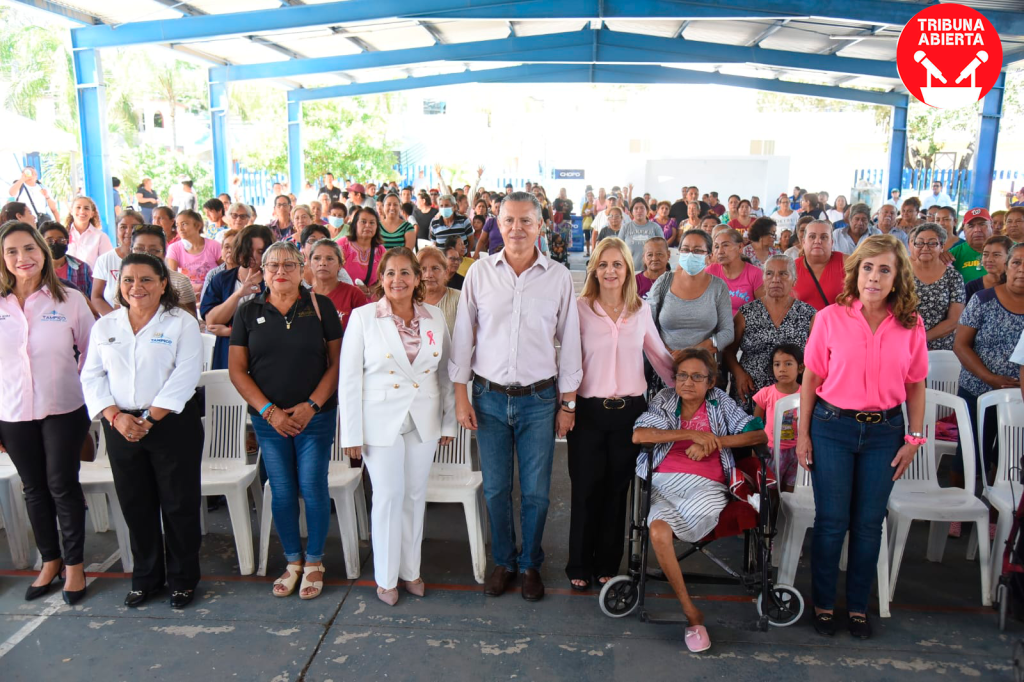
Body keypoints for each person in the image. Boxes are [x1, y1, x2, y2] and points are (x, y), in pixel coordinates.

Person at [449, 191, 582, 602]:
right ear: (498, 224)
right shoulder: (479, 273)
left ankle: (530, 564)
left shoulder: (558, 277)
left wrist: (568, 403)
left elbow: (571, 343)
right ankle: (504, 561)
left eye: (526, 220)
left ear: (540, 226)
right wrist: (461, 396)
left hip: (539, 401)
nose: (517, 228)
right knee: (495, 489)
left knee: (537, 493)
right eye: (509, 220)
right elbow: (463, 337)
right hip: (487, 397)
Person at [798, 234, 928, 640]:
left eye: (884, 270)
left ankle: (857, 607)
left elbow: (916, 384)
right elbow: (811, 379)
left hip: (885, 433)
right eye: (868, 268)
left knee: (870, 524)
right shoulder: (829, 318)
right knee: (832, 521)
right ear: (856, 272)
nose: (874, 277)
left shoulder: (911, 323)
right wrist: (802, 435)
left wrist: (914, 438)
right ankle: (823, 604)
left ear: (897, 277)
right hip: (832, 427)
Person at [81, 252, 204, 609]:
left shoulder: (180, 322)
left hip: (171, 425)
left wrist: (149, 419)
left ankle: (183, 580)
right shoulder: (106, 325)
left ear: (163, 283)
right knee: (136, 504)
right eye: (128, 280)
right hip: (120, 427)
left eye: (146, 279)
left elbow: (186, 375)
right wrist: (115, 416)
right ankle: (146, 579)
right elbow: (91, 376)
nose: (137, 287)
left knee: (178, 504)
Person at [340, 247, 455, 606]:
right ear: (381, 278)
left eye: (406, 272)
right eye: (390, 273)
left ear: (418, 278)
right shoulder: (363, 317)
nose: (397, 280)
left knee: (415, 496)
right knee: (389, 496)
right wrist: (351, 433)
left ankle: (411, 571)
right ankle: (386, 578)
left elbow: (445, 373)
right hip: (379, 419)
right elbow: (349, 378)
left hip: (424, 418)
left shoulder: (435, 316)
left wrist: (448, 422)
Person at [229, 241, 343, 601]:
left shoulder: (320, 306)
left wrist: (312, 405)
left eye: (289, 264)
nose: (281, 271)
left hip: (316, 417)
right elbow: (237, 370)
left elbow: (337, 363)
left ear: (301, 269)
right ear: (262, 272)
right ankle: (293, 561)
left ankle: (315, 561)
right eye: (273, 265)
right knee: (280, 488)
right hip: (269, 420)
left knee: (312, 484)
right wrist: (270, 412)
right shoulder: (248, 311)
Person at [632, 347, 767, 652]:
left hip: (707, 486)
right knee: (658, 531)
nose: (687, 382)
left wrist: (716, 441)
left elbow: (757, 435)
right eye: (682, 375)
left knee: (696, 515)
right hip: (664, 483)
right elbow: (639, 435)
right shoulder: (665, 399)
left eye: (696, 377)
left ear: (711, 381)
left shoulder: (720, 402)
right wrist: (689, 435)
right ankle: (691, 612)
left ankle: (692, 613)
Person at [567, 238, 674, 591]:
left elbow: (659, 356)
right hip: (588, 412)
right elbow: (567, 360)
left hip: (630, 413)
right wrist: (564, 405)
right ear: (594, 270)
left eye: (617, 264)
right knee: (586, 489)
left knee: (617, 490)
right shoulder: (579, 308)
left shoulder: (640, 310)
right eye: (603, 264)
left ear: (628, 269)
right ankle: (579, 563)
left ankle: (607, 565)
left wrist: (689, 389)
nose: (610, 271)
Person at [0, 221, 94, 605]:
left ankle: (74, 565)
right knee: (34, 489)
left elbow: (92, 354)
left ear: (42, 250)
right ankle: (50, 561)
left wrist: (82, 391)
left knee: (62, 485)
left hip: (63, 408)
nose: (22, 258)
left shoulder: (70, 299)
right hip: (12, 412)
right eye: (11, 251)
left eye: (29, 248)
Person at [953, 243, 1024, 481]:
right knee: (969, 456)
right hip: (977, 389)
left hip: (1019, 397)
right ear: (1007, 266)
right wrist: (989, 378)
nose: (1022, 269)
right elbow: (960, 345)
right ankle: (960, 503)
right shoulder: (983, 299)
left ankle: (996, 502)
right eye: (1016, 263)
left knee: (1008, 457)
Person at [725, 255, 816, 400]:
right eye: (769, 273)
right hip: (750, 392)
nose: (775, 279)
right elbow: (728, 351)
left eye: (783, 274)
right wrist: (739, 374)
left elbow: (818, 357)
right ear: (763, 278)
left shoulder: (808, 314)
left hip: (792, 395)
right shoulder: (746, 312)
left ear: (794, 280)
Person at [646, 229, 733, 355]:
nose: (690, 255)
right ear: (679, 252)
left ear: (709, 256)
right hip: (664, 360)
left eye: (697, 251)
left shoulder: (718, 287)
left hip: (703, 362)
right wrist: (667, 354)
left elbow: (727, 333)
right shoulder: (663, 282)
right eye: (686, 250)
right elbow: (647, 325)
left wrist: (690, 355)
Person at [201, 224, 274, 369]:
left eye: (260, 251)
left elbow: (273, 325)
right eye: (249, 249)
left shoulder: (274, 282)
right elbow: (212, 321)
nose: (253, 256)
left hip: (264, 357)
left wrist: (230, 331)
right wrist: (238, 294)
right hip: (227, 354)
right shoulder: (221, 279)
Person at [753, 343, 803, 490]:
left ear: (800, 368)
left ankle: (785, 506)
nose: (782, 369)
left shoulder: (805, 394)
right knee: (770, 488)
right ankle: (773, 506)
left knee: (791, 489)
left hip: (797, 450)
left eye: (788, 364)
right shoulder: (766, 393)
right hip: (771, 450)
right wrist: (755, 448)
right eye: (777, 364)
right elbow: (756, 423)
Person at [908, 223, 965, 351]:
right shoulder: (901, 272)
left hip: (940, 348)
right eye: (919, 243)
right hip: (904, 343)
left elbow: (955, 319)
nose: (925, 247)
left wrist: (921, 339)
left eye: (932, 243)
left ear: (942, 247)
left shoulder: (953, 276)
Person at [130, 225, 198, 318]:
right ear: (131, 251)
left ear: (164, 253)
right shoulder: (124, 280)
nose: (146, 255)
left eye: (153, 250)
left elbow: (191, 321)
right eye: (139, 249)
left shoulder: (179, 282)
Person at [92, 210, 145, 315]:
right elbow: (96, 297)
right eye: (123, 227)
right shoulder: (105, 260)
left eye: (134, 227)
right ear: (117, 230)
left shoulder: (149, 259)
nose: (129, 231)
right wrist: (116, 319)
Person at [308, 239, 367, 331]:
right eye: (317, 258)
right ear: (310, 263)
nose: (322, 263)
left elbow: (366, 329)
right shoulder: (302, 296)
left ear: (340, 265)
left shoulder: (353, 294)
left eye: (329, 259)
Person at [706, 228, 765, 317]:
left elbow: (763, 311)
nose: (720, 251)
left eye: (725, 245)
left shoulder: (755, 274)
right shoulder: (710, 271)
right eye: (717, 247)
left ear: (740, 247)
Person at [167, 209, 223, 295]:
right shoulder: (174, 248)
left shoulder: (214, 246)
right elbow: (172, 277)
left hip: (214, 292)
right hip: (187, 293)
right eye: (177, 225)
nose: (180, 229)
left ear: (198, 226)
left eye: (184, 224)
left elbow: (226, 270)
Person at [793, 221, 846, 311]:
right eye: (812, 237)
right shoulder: (790, 268)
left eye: (824, 237)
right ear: (803, 242)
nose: (818, 241)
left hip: (838, 320)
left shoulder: (846, 263)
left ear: (832, 242)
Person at [338, 206, 387, 291]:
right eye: (363, 222)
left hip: (371, 297)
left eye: (372, 223)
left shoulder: (380, 250)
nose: (368, 225)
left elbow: (385, 277)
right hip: (345, 295)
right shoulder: (342, 245)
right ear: (355, 224)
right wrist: (354, 290)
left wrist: (371, 290)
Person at [39, 221, 93, 298]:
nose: (55, 243)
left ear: (67, 242)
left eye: (61, 240)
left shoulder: (83, 268)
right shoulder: (36, 270)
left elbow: (93, 298)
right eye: (50, 240)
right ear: (41, 243)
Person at [418, 245, 460, 334]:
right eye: (423, 269)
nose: (429, 275)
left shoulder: (459, 299)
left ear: (446, 272)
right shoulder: (409, 301)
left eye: (435, 268)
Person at [65, 196, 112, 269]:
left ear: (92, 214)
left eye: (86, 208)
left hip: (92, 276)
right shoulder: (63, 235)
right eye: (78, 207)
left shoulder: (101, 237)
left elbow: (108, 265)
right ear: (71, 211)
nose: (82, 211)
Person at [620, 198, 663, 274]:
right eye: (636, 208)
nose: (639, 211)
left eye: (642, 208)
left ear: (647, 210)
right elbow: (619, 250)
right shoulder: (625, 228)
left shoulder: (655, 227)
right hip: (630, 272)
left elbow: (662, 249)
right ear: (631, 212)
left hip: (652, 272)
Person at [951, 208, 993, 283]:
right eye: (971, 226)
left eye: (982, 224)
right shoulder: (953, 254)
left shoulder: (1007, 249)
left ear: (991, 226)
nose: (977, 230)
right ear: (964, 230)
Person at [966, 236, 1014, 302]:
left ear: (1010, 257)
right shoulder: (972, 287)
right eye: (985, 254)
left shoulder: (1018, 284)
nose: (989, 259)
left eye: (996, 255)